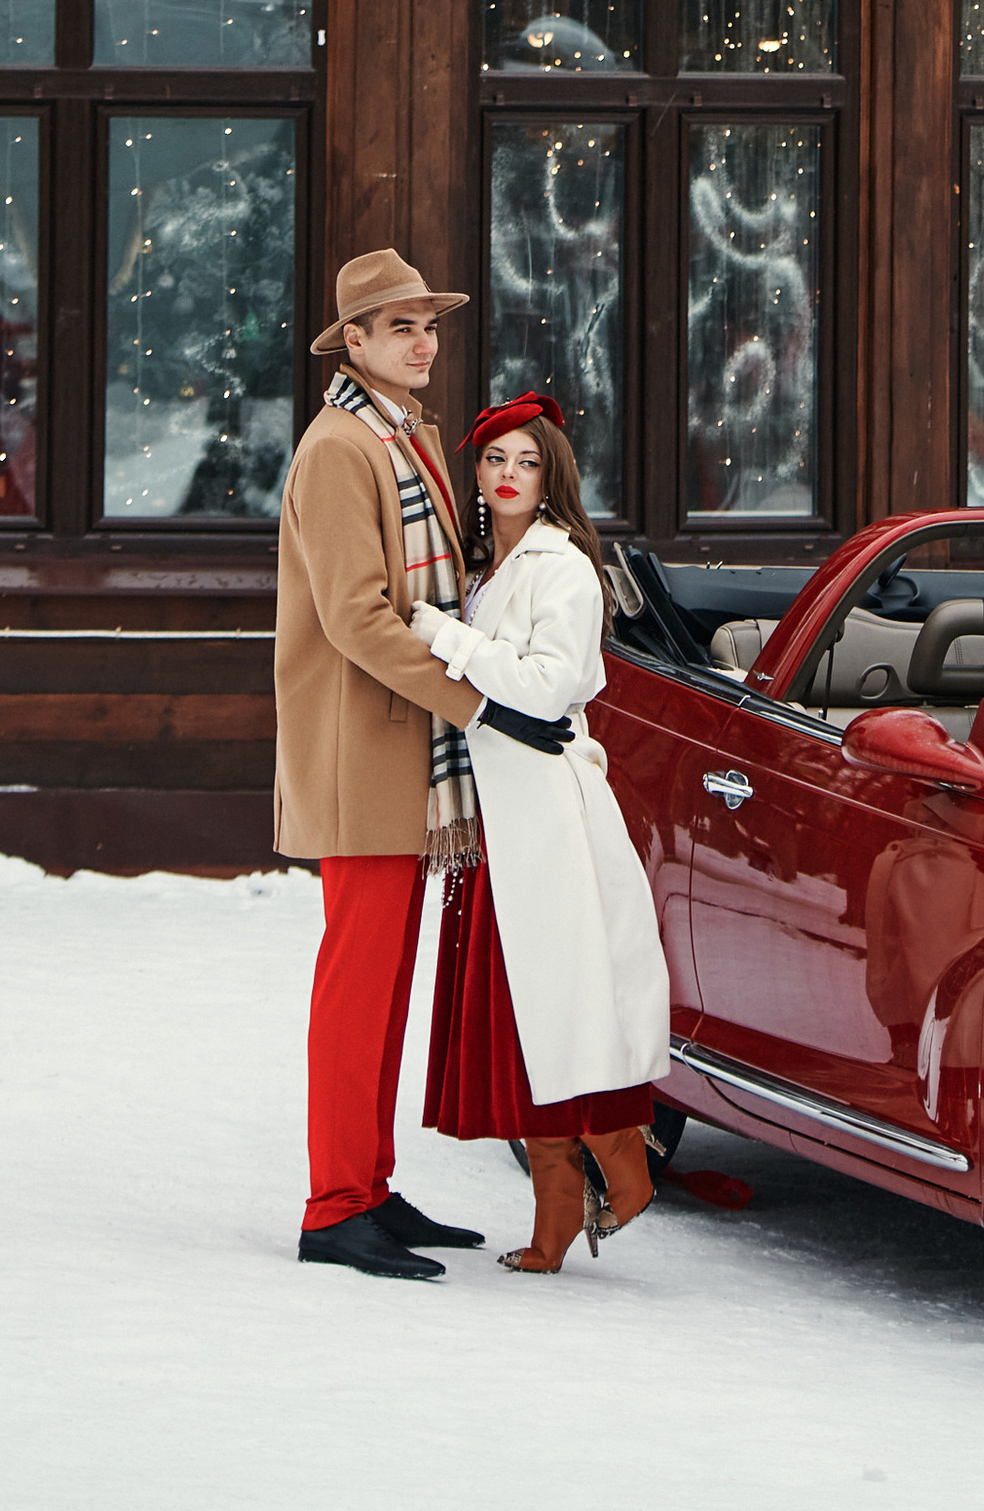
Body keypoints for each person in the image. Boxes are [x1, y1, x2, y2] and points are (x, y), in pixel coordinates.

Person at [274, 247, 498, 1283]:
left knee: (388, 986)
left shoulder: (402, 436)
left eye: (428, 325)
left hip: (404, 753)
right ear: (352, 341)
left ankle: (368, 1186)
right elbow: (357, 619)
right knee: (357, 989)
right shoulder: (339, 449)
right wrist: (479, 702)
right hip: (361, 753)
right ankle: (334, 1208)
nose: (422, 343)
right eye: (398, 327)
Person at [414, 393, 675, 1272]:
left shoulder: (560, 565)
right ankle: (559, 1207)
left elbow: (547, 685)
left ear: (550, 476)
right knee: (520, 1016)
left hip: (546, 815)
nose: (508, 475)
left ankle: (619, 1162)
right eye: (495, 460)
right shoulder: (484, 566)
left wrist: (446, 639)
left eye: (527, 462)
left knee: (558, 1006)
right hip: (498, 815)